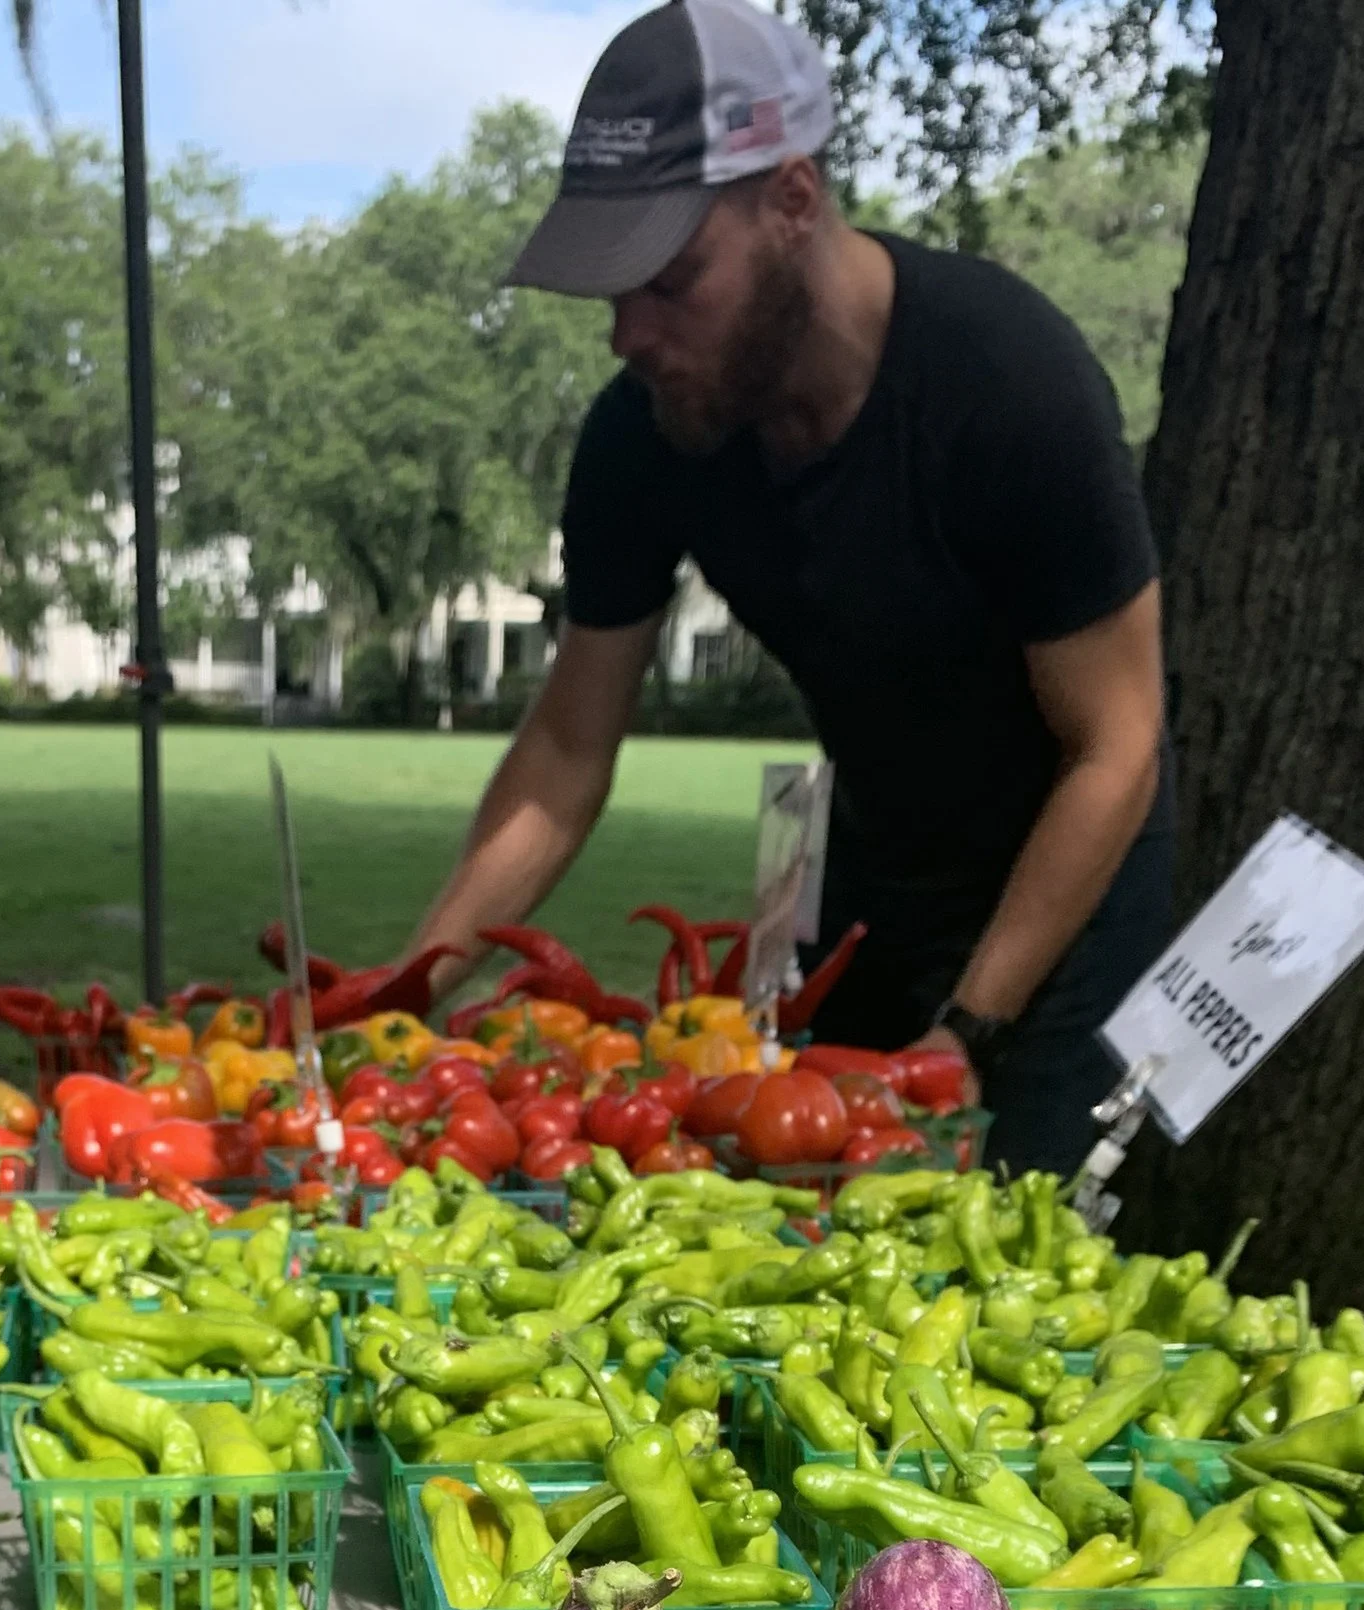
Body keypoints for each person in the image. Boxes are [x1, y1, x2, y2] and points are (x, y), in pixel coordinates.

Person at [406, 0, 1173, 1175]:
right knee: (798, 1191)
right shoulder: (646, 433)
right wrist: (409, 993)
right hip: (872, 871)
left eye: (670, 282)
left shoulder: (1007, 384)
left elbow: (1114, 745)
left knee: (1017, 1214)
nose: (627, 336)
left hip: (1068, 888)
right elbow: (564, 750)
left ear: (793, 202)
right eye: (611, 294)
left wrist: (967, 1031)